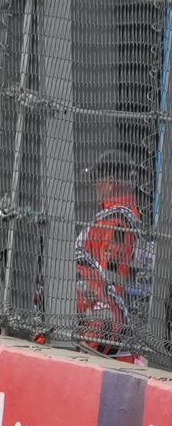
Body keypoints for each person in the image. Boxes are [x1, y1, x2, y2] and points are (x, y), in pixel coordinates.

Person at [74, 150, 152, 359]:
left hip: (103, 331)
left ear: (109, 182)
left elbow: (108, 286)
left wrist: (93, 335)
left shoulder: (115, 221)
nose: (94, 185)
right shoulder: (126, 215)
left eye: (96, 179)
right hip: (114, 330)